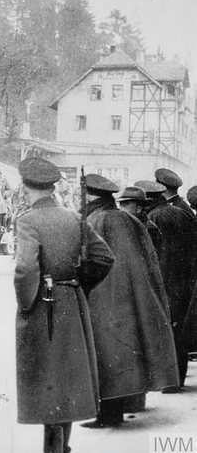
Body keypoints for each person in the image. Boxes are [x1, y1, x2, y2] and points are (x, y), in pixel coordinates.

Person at [13, 158, 114, 453]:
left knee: (46, 377)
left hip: (42, 303)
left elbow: (24, 269)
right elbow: (104, 258)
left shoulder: (28, 220)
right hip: (71, 302)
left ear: (25, 187)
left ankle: (52, 448)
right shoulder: (74, 217)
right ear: (52, 187)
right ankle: (60, 447)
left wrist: (25, 303)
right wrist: (76, 284)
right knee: (66, 378)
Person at [80, 174, 179, 427]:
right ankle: (126, 405)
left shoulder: (96, 219)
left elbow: (90, 260)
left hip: (105, 296)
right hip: (130, 296)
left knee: (107, 354)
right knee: (124, 351)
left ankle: (108, 415)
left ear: (91, 195)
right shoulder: (127, 219)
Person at [137, 179, 197, 390]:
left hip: (164, 279)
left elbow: (155, 253)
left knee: (163, 328)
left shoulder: (154, 217)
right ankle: (176, 379)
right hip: (183, 280)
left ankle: (168, 382)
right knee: (177, 328)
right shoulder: (180, 213)